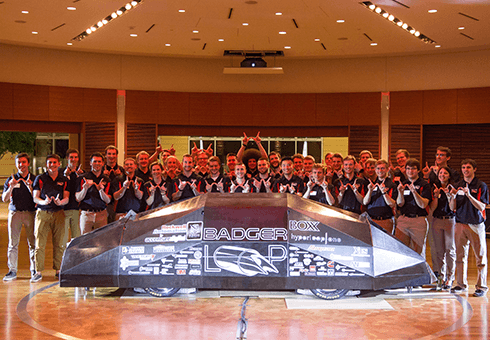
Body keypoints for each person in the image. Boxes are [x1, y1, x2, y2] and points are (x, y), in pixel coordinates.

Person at [449, 159, 488, 297]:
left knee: (480, 257)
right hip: (460, 224)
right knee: (460, 256)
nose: (465, 170)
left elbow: (482, 206)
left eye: (468, 167)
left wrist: (469, 195)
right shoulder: (458, 185)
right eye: (463, 167)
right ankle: (461, 284)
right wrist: (452, 197)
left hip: (475, 225)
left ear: (474, 169)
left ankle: (481, 286)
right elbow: (452, 208)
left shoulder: (481, 185)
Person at [31, 154, 69, 283]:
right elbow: (35, 197)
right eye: (49, 163)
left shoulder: (64, 179)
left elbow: (67, 197)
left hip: (59, 213)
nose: (52, 165)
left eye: (54, 162)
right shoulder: (40, 179)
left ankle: (58, 270)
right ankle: (38, 271)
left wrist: (60, 202)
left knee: (59, 244)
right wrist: (43, 202)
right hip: (43, 213)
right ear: (46, 165)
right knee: (39, 244)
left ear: (59, 164)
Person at [2, 153, 36, 281]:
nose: (21, 165)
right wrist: (11, 186)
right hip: (15, 213)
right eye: (19, 162)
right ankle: (12, 270)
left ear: (28, 163)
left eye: (23, 162)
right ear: (16, 164)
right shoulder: (12, 179)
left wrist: (30, 186)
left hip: (30, 213)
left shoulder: (34, 178)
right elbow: (4, 199)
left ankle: (34, 269)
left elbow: (37, 198)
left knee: (32, 243)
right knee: (12, 244)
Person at [394, 158, 431, 257]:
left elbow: (423, 205)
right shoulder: (403, 183)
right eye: (408, 169)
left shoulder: (424, 185)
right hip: (403, 219)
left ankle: (419, 272)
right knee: (400, 249)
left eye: (413, 169)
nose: (410, 171)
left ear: (418, 170)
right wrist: (400, 193)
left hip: (418, 220)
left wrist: (415, 192)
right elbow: (400, 204)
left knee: (418, 251)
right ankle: (403, 272)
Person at [430, 166, 456, 291]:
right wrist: (436, 196)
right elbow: (432, 209)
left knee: (450, 250)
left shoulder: (452, 188)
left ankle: (450, 278)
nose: (442, 175)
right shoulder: (434, 187)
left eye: (445, 173)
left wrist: (450, 196)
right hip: (437, 220)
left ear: (449, 175)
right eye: (440, 173)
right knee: (439, 251)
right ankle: (441, 277)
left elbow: (453, 208)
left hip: (450, 221)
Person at [76, 153, 111, 234]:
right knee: (85, 241)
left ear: (102, 163)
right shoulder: (83, 177)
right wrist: (85, 189)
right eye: (95, 161)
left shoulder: (106, 179)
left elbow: (108, 200)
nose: (97, 164)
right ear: (90, 163)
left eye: (99, 162)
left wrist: (100, 190)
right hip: (87, 214)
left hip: (102, 214)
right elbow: (78, 198)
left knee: (101, 241)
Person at [363, 159, 398, 234]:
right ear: (375, 170)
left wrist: (384, 192)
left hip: (386, 220)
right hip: (371, 220)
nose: (380, 170)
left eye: (382, 168)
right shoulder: (372, 184)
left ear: (387, 169)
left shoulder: (392, 185)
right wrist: (370, 191)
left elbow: (392, 204)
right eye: (378, 168)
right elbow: (365, 202)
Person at [60, 149, 84, 245]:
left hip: (76, 209)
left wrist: (80, 176)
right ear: (67, 158)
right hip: (63, 209)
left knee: (77, 238)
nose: (73, 159)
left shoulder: (82, 173)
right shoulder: (60, 172)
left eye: (75, 157)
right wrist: (65, 176)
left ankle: (75, 259)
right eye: (71, 157)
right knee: (63, 238)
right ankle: (63, 259)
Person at [103, 145, 124, 223]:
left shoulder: (121, 170)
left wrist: (120, 176)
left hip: (118, 204)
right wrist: (103, 176)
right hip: (104, 204)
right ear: (105, 155)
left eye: (113, 154)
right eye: (109, 154)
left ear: (117, 156)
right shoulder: (101, 169)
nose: (111, 156)